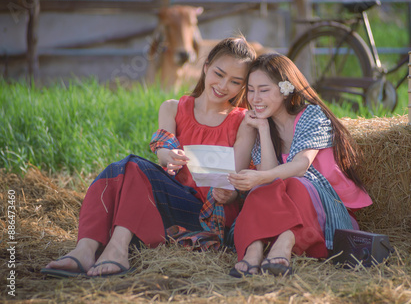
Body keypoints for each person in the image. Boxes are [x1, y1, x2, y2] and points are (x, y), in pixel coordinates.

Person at [42, 36, 257, 278]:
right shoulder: (173, 108)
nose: (223, 85)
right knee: (119, 170)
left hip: (208, 213)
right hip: (172, 197)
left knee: (131, 167)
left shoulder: (243, 121)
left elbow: (235, 180)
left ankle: (117, 249)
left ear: (242, 87)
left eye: (235, 81)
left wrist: (230, 193)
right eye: (219, 73)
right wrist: (168, 156)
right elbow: (163, 148)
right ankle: (84, 250)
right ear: (206, 66)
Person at [227, 53, 372, 277]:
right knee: (261, 189)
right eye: (251, 89)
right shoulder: (261, 124)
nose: (255, 98)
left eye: (264, 90)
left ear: (285, 90)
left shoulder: (311, 115)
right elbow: (268, 176)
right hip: (280, 208)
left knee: (294, 183)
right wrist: (263, 130)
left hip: (323, 211)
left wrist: (260, 178)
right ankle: (254, 252)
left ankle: (283, 245)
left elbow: (301, 165)